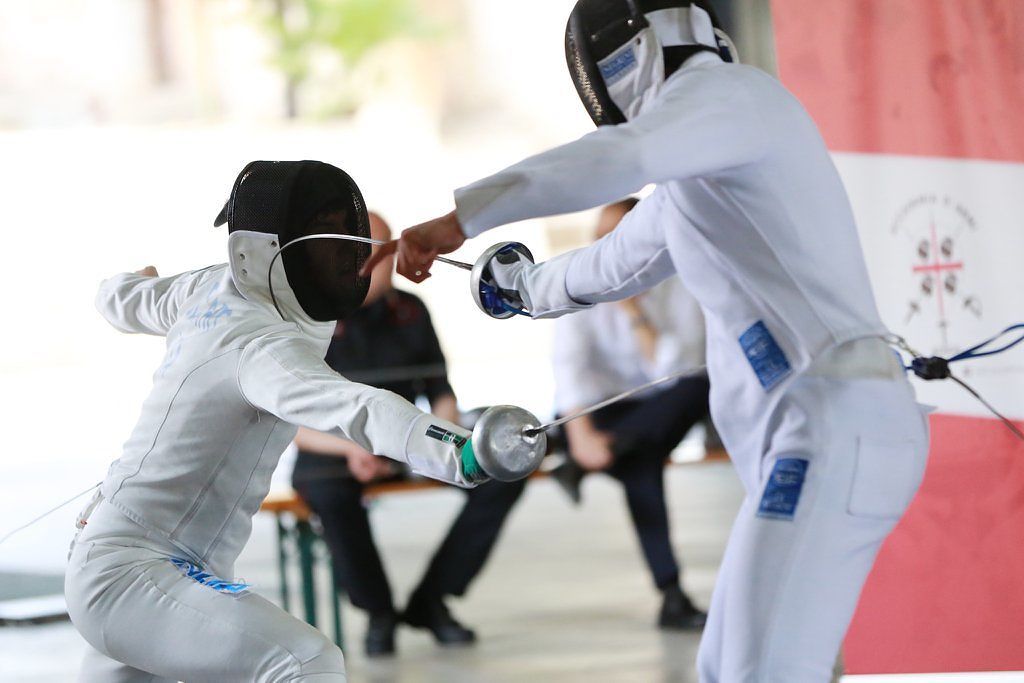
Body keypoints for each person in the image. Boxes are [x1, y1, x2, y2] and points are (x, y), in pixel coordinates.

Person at [363, 2, 930, 681]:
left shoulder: (733, 99)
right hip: (813, 435)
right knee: (733, 666)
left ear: (623, 59)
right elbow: (614, 262)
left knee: (757, 671)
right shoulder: (705, 165)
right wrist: (517, 287)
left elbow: (621, 157)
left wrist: (463, 217)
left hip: (833, 427)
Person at [65, 161, 532, 682]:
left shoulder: (205, 290)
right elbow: (357, 407)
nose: (351, 258)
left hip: (132, 563)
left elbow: (121, 300)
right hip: (135, 575)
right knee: (305, 663)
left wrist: (133, 281)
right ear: (269, 249)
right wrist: (460, 451)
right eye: (330, 243)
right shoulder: (263, 347)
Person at [292, 212, 526, 657]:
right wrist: (350, 450)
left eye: (374, 255)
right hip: (333, 449)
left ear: (391, 255)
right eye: (351, 257)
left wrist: (448, 445)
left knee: (495, 476)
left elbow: (439, 393)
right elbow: (289, 421)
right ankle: (379, 611)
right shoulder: (311, 321)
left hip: (402, 441)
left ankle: (432, 600)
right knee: (330, 494)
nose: (362, 267)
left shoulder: (410, 312)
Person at [552, 198, 709, 630]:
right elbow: (570, 374)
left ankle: (605, 455)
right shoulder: (575, 282)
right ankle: (672, 596)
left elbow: (674, 371)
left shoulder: (679, 279)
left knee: (700, 384)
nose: (604, 249)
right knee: (642, 461)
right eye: (599, 239)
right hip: (592, 416)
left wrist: (633, 309)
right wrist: (582, 438)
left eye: (615, 238)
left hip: (657, 409)